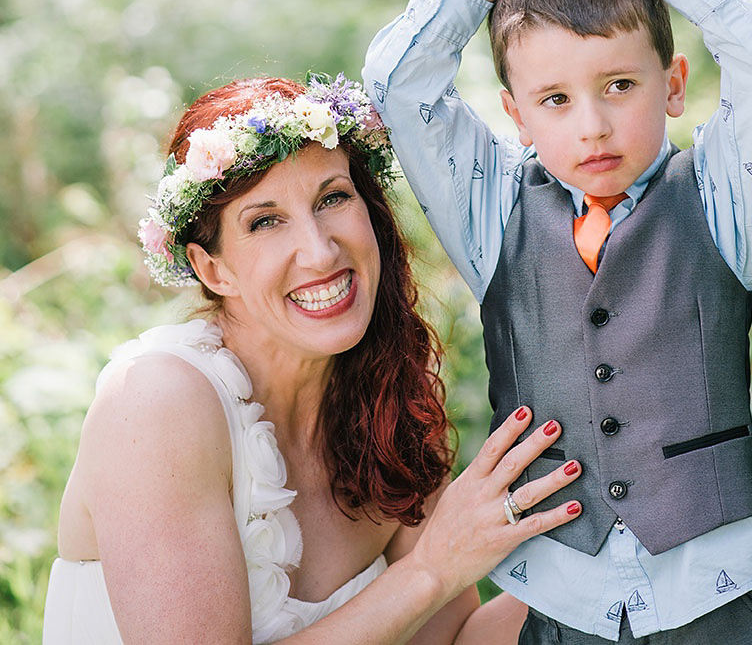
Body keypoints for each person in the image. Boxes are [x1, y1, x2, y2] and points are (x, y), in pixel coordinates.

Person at [364, 0, 752, 644]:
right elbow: (399, 83)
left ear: (672, 84)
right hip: (567, 597)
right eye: (556, 101)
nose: (592, 127)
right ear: (515, 113)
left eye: (619, 86)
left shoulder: (719, 195)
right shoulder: (492, 212)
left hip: (717, 591)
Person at [43, 72, 585, 645]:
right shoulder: (154, 402)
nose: (320, 250)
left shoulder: (386, 398)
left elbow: (448, 639)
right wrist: (432, 568)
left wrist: (622, 572)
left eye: (332, 198)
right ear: (212, 269)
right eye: (265, 221)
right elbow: (433, 579)